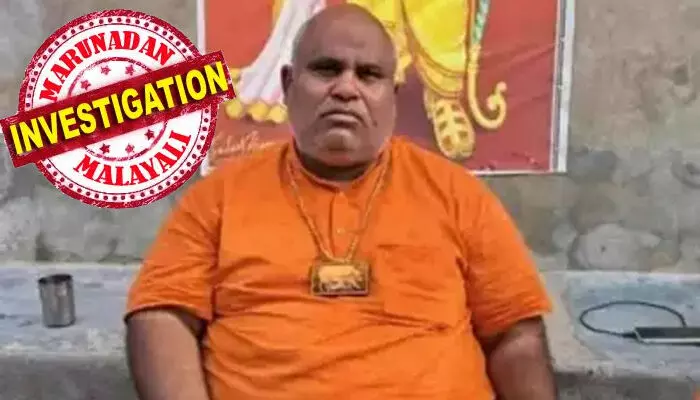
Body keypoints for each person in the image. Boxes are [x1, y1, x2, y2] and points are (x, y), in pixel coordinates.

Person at [124, 4, 557, 400]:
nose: (346, 89)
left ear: (392, 95)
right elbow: (161, 314)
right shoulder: (220, 196)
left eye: (368, 75)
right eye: (327, 69)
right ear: (288, 85)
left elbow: (515, 334)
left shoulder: (457, 194)